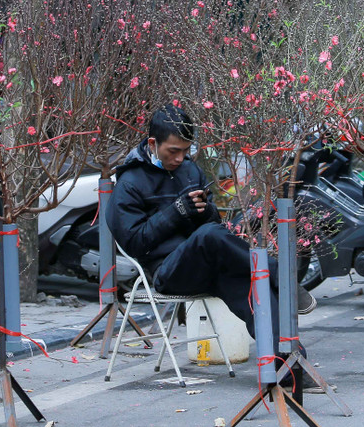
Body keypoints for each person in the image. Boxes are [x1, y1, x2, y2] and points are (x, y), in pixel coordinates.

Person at [107, 104, 314, 357]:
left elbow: (212, 220)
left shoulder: (190, 170)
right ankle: (281, 275)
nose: (180, 159)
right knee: (211, 236)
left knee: (255, 288)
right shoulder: (128, 183)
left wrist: (205, 211)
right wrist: (177, 211)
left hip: (207, 263)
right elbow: (133, 242)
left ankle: (291, 365)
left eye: (185, 151)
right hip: (168, 272)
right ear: (153, 143)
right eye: (173, 151)